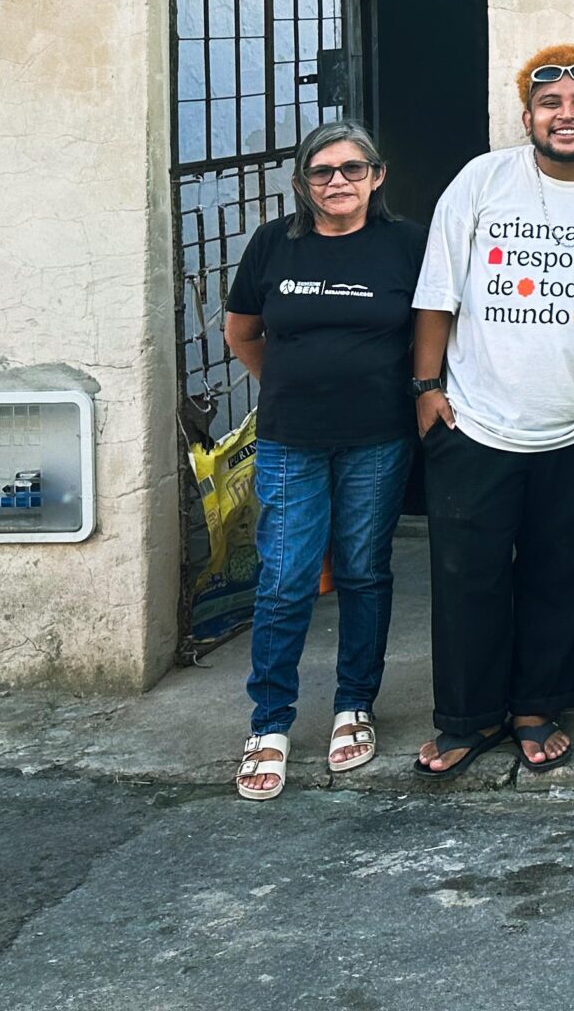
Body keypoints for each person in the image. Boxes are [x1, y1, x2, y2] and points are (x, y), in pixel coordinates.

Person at [409, 46, 574, 779]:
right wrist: (426, 388)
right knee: (466, 577)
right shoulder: (483, 181)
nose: (566, 114)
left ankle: (536, 708)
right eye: (551, 104)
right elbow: (437, 291)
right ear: (528, 116)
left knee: (566, 574)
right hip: (475, 422)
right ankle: (467, 716)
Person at [224, 120, 426, 800]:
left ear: (377, 175)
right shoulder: (273, 244)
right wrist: (289, 384)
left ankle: (353, 706)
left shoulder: (405, 245)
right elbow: (241, 330)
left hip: (378, 438)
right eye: (322, 171)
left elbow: (432, 327)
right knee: (286, 576)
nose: (337, 181)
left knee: (365, 570)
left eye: (352, 168)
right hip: (291, 439)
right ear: (303, 182)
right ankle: (271, 722)